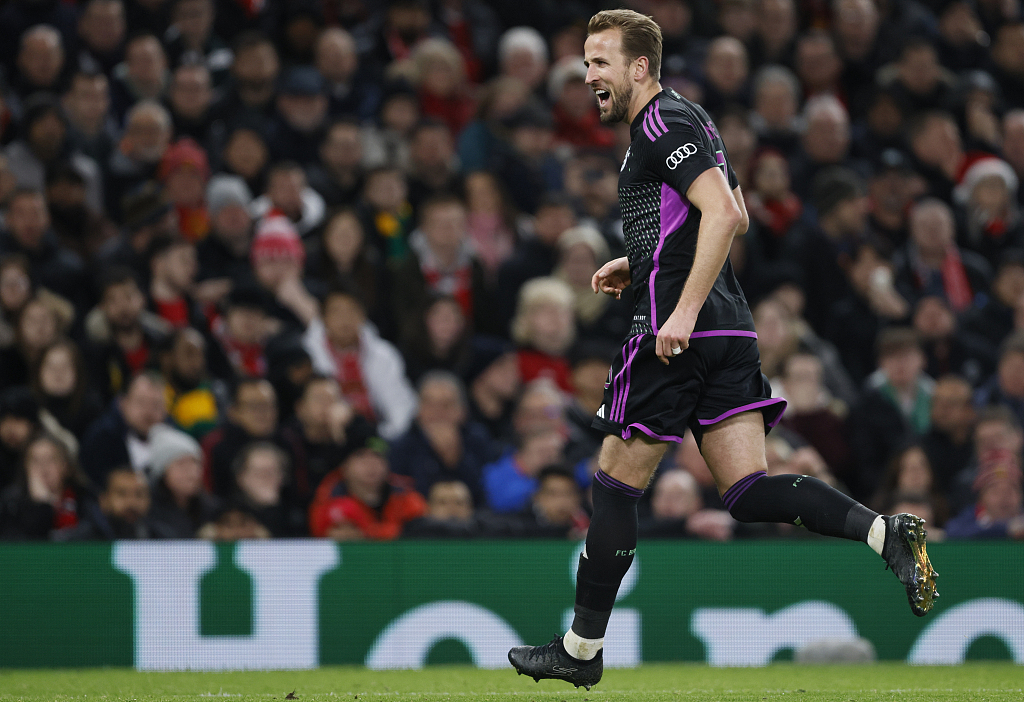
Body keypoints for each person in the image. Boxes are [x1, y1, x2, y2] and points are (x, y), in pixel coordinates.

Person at [508, 11, 939, 690]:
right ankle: (886, 533)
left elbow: (727, 213)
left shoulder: (659, 124)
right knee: (746, 490)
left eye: (599, 62)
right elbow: (721, 202)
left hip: (680, 331)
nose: (588, 74)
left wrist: (675, 306)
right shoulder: (692, 118)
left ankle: (580, 651)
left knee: (614, 483)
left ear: (640, 66)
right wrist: (642, 259)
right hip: (730, 328)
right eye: (586, 62)